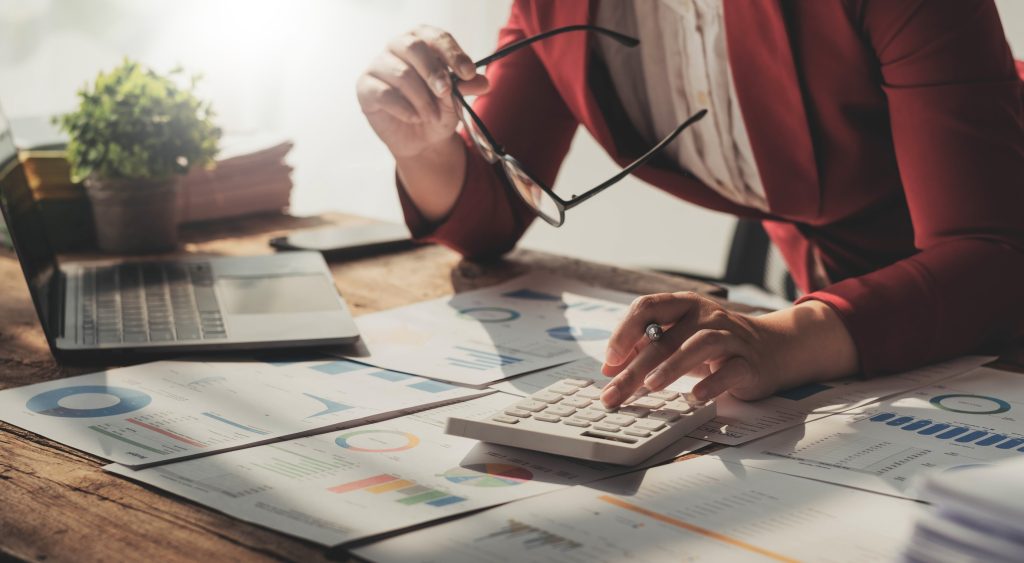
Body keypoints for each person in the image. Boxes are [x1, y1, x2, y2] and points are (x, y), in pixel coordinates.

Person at [356, 0, 1024, 408]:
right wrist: (425, 147)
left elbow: (990, 257)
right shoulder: (555, 5)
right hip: (859, 336)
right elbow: (491, 218)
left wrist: (782, 335)